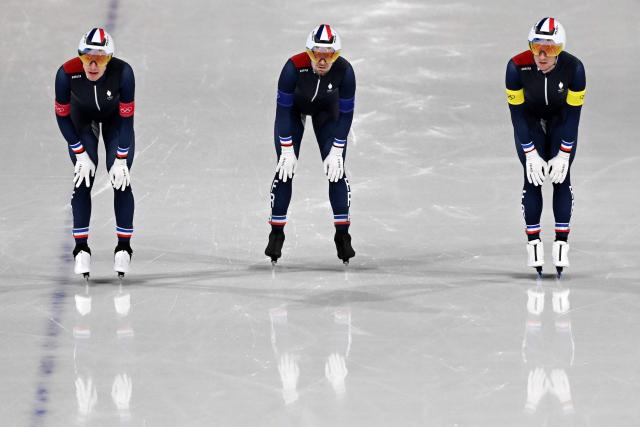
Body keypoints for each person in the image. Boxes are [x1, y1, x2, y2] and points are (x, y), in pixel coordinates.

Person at [265, 24, 356, 264]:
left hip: (328, 111)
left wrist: (337, 149)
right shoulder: (293, 67)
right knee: (285, 170)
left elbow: (346, 115)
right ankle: (276, 233)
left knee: (336, 171)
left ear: (336, 55)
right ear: (309, 52)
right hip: (294, 111)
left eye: (330, 55)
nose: (323, 61)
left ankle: (342, 236)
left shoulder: (345, 71)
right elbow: (283, 111)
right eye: (317, 54)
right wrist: (286, 149)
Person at [505, 17, 586, 276]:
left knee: (562, 177)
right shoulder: (516, 66)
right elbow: (516, 115)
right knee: (533, 178)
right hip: (529, 121)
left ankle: (562, 242)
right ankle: (534, 243)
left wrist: (564, 153)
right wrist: (530, 152)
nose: (541, 55)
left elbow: (574, 116)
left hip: (561, 121)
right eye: (536, 47)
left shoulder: (575, 69)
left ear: (559, 50)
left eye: (549, 50)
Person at [54, 28, 136, 278]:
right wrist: (79, 152)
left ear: (109, 59)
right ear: (79, 56)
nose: (92, 64)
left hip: (115, 122)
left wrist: (121, 158)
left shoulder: (124, 73)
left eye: (99, 58)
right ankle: (81, 248)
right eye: (87, 57)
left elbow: (127, 120)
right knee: (83, 179)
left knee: (120, 179)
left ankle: (124, 247)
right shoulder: (66, 73)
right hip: (82, 120)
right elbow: (62, 116)